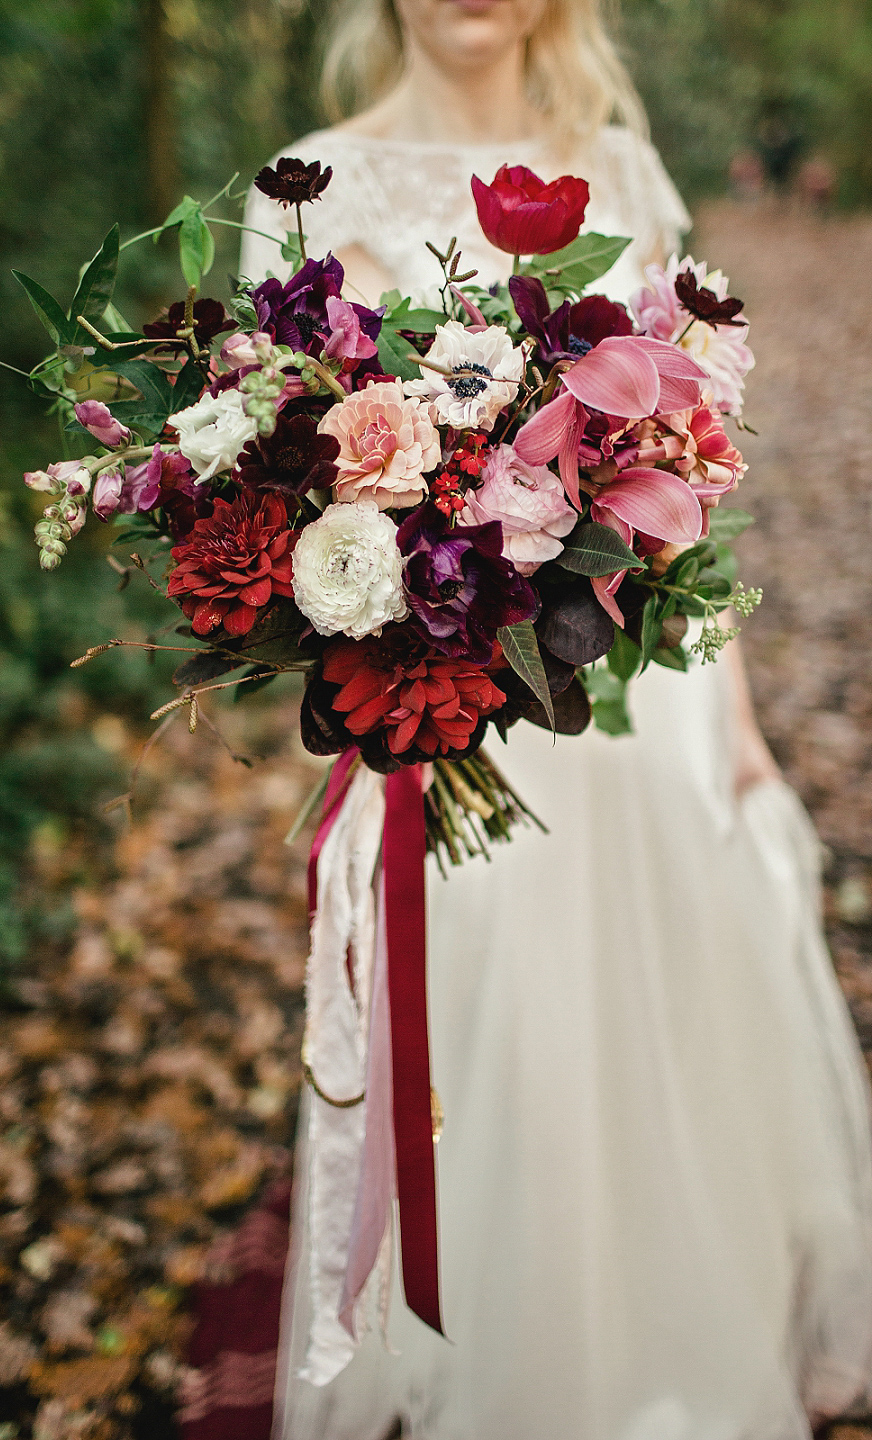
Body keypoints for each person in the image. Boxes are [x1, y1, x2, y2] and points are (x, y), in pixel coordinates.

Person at [241, 3, 872, 1436]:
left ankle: (662, 1355)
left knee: (654, 1027)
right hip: (449, 722)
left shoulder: (627, 173)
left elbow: (680, 477)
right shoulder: (305, 187)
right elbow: (282, 467)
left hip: (629, 702)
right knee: (496, 1027)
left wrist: (742, 717)